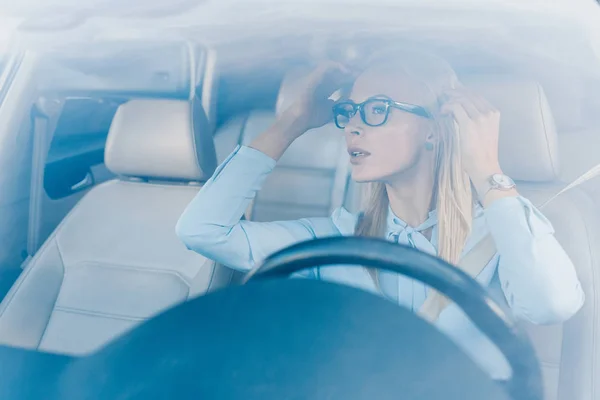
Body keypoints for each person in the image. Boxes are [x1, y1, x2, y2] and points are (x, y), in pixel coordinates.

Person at [175, 49, 584, 379]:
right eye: (349, 111)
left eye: (377, 109)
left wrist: (486, 172)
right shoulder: (335, 240)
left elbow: (551, 305)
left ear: (434, 128)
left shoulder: (502, 233)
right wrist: (292, 121)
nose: (353, 125)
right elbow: (203, 231)